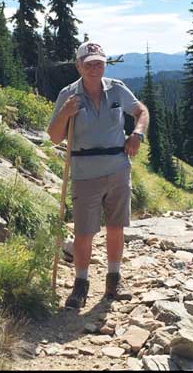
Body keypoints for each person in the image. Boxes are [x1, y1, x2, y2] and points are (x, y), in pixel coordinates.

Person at [47, 41, 150, 309]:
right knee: (84, 232)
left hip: (117, 167)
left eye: (99, 63)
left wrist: (137, 134)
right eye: (89, 63)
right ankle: (81, 284)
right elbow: (55, 137)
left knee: (116, 227)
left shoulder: (116, 88)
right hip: (84, 172)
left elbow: (141, 111)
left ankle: (114, 278)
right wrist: (65, 113)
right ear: (78, 65)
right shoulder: (68, 95)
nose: (95, 68)